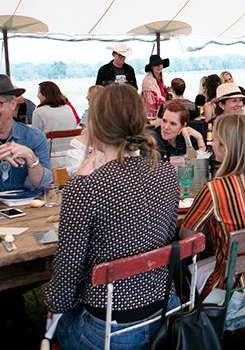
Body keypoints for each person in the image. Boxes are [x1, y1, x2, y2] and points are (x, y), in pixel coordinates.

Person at [46, 84, 179, 349]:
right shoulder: (166, 173)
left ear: (95, 125)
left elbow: (66, 276)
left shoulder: (85, 188)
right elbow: (167, 233)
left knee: (56, 316)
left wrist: (53, 307)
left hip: (111, 326)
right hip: (166, 308)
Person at [181, 114, 245, 298]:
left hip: (230, 289)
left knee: (185, 272)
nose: (212, 145)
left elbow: (186, 237)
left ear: (226, 147)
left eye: (215, 140)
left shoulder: (215, 190)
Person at [141, 54, 169, 119]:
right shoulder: (148, 81)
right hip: (152, 111)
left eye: (160, 64)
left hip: (161, 108)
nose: (159, 67)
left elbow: (160, 89)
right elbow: (155, 98)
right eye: (156, 65)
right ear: (151, 67)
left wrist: (165, 90)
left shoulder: (159, 76)